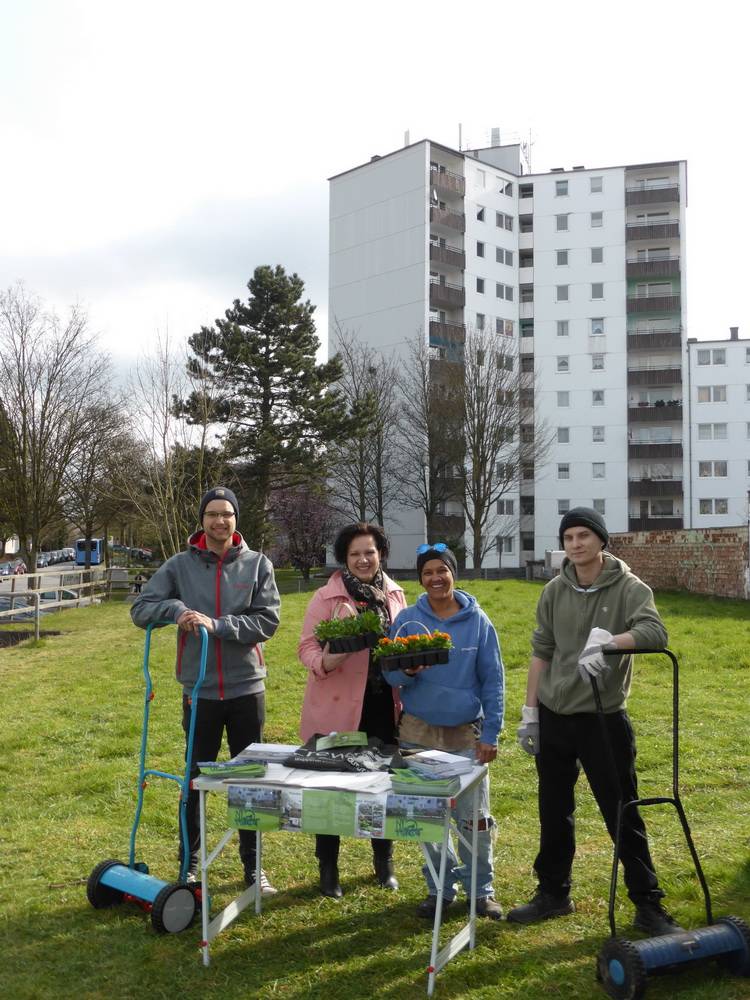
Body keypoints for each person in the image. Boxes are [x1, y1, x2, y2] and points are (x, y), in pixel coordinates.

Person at [508, 507, 681, 936]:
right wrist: (531, 713)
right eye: (568, 538)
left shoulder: (629, 588)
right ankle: (553, 893)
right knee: (554, 809)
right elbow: (541, 651)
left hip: (603, 720)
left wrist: (610, 642)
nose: (576, 544)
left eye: (585, 536)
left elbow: (655, 633)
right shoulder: (553, 590)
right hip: (555, 717)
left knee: (622, 810)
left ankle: (648, 905)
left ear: (602, 541)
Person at [131, 486, 280, 894]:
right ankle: (190, 865)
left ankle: (254, 866)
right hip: (198, 691)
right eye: (212, 514)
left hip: (246, 689)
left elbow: (267, 621)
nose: (220, 521)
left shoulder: (257, 565)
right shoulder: (180, 566)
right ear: (202, 520)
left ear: (236, 520)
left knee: (251, 781)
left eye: (227, 514)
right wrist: (175, 610)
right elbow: (140, 609)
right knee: (194, 779)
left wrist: (219, 625)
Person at [383, 543, 504, 920]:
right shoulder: (406, 619)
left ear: (453, 573)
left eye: (442, 570)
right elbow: (389, 673)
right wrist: (408, 672)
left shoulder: (477, 621)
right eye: (428, 572)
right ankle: (439, 888)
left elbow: (493, 681)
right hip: (418, 732)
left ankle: (480, 889)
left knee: (474, 820)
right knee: (427, 817)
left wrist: (491, 734)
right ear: (420, 578)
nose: (436, 578)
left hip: (465, 734)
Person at [298, 521, 406, 898]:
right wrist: (326, 662)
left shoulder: (395, 595)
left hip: (382, 706)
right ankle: (328, 868)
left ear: (380, 555)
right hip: (337, 709)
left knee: (381, 788)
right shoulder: (325, 598)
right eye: (355, 554)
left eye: (370, 552)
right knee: (330, 790)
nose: (363, 559)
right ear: (344, 558)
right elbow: (306, 649)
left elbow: (404, 640)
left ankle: (384, 862)